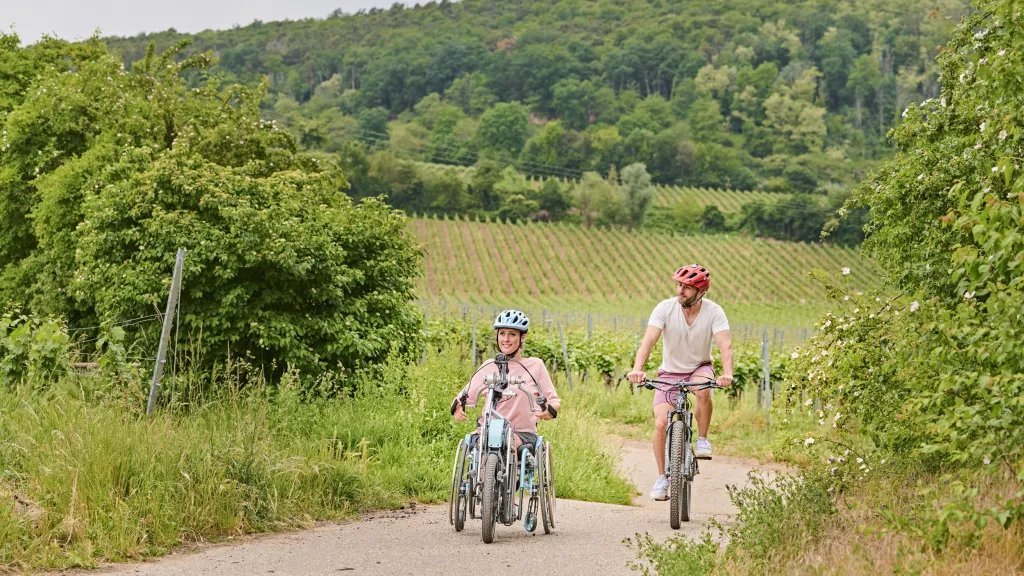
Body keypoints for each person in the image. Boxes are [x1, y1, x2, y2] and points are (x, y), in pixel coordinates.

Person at [627, 264, 733, 501]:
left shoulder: (714, 312)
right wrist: (637, 369)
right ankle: (662, 477)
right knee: (660, 424)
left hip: (699, 368)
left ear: (700, 291)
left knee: (704, 389)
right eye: (679, 285)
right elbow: (648, 341)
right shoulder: (665, 308)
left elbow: (725, 344)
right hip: (669, 373)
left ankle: (703, 439)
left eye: (687, 287)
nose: (680, 291)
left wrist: (727, 373)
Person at [451, 310, 560, 451]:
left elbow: (554, 401)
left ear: (522, 337)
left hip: (522, 434)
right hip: (488, 431)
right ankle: (485, 472)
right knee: (478, 446)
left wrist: (551, 410)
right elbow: (464, 395)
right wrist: (457, 406)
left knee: (508, 442)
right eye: (502, 333)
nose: (506, 339)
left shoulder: (535, 366)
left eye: (512, 334)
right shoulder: (489, 366)